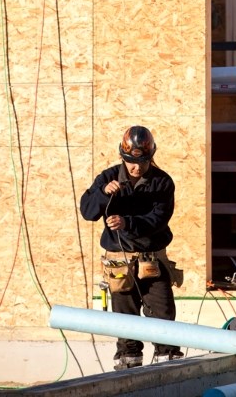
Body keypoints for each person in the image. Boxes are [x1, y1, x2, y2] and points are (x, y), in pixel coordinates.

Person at [80, 125, 183, 370]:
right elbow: (87, 211)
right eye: (130, 162)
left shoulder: (162, 182)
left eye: (143, 162)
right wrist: (104, 195)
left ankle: (167, 365)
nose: (137, 167)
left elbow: (159, 219)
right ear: (122, 157)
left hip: (152, 260)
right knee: (125, 322)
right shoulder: (107, 177)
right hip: (119, 263)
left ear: (151, 157)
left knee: (163, 314)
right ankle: (128, 367)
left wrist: (128, 223)